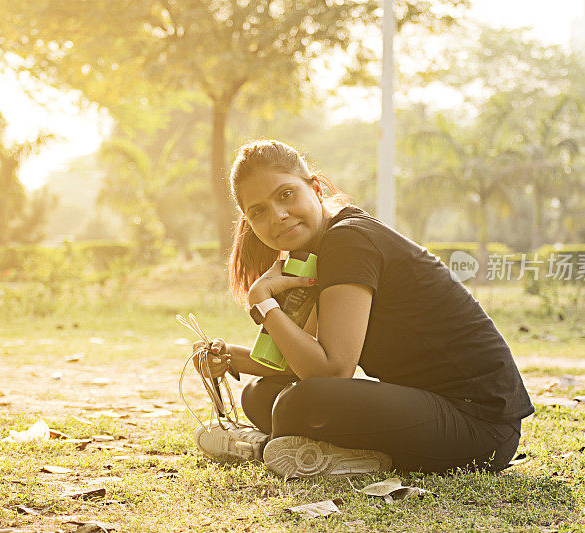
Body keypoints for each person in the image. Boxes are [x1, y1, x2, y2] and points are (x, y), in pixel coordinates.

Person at [192, 139, 534, 478]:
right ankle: (313, 450)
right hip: (436, 409)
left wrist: (264, 303)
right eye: (259, 211)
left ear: (315, 188)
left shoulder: (348, 240)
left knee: (296, 404)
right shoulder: (314, 253)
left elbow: (332, 370)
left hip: (481, 426)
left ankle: (268, 447)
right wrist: (231, 357)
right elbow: (300, 360)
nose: (278, 216)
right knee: (260, 395)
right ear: (249, 223)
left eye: (285, 195)